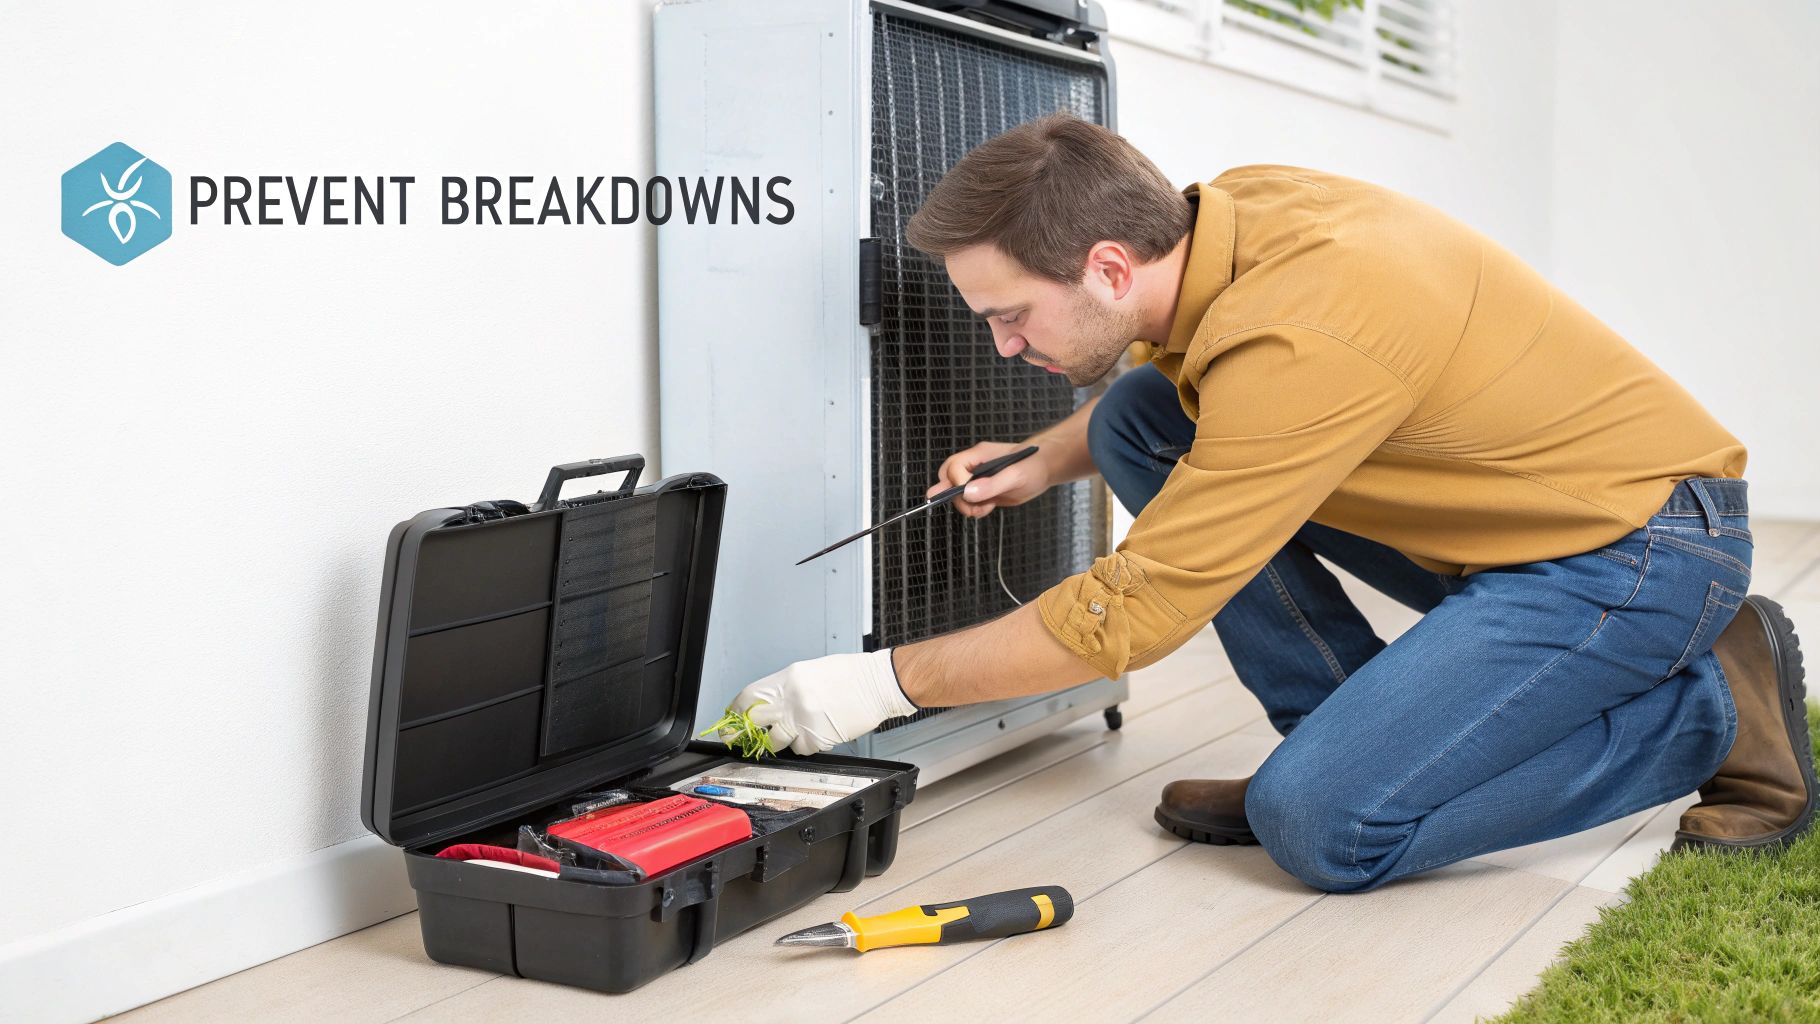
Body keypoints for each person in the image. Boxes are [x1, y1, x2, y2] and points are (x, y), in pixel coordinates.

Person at [728, 112, 1814, 892]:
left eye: (1011, 315)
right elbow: (1191, 396)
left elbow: (1130, 614)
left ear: (1108, 266)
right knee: (1134, 417)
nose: (1003, 345)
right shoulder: (1231, 217)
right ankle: (1348, 730)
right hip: (1517, 516)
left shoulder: (1304, 335)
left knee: (1322, 825)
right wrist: (1042, 457)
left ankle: (1712, 706)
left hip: (1635, 548)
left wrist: (874, 685)